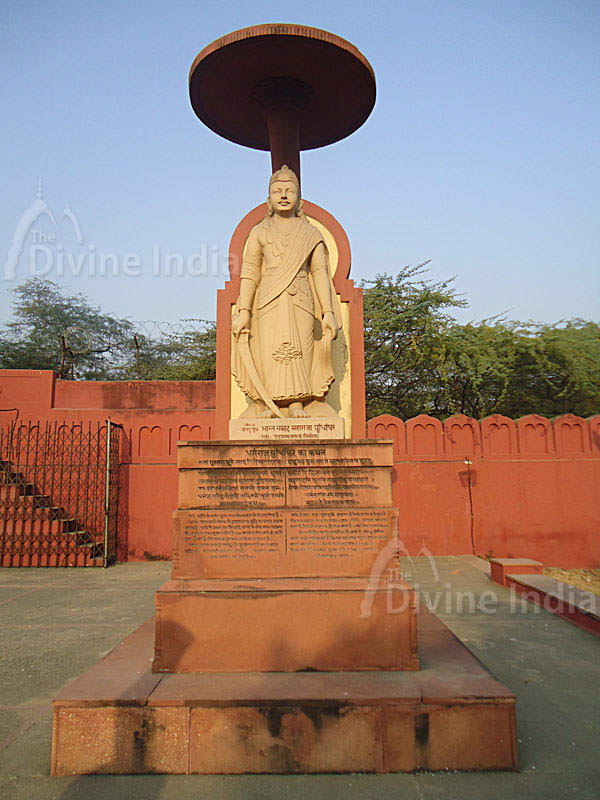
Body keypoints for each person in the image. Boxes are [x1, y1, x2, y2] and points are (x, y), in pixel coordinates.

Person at [231, 165, 340, 418]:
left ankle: (297, 403)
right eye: (277, 190)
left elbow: (320, 273)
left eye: (289, 190)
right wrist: (244, 310)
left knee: (299, 348)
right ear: (268, 197)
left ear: (298, 197)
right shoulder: (259, 232)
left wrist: (327, 312)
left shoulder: (310, 233)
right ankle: (271, 403)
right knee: (270, 350)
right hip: (268, 298)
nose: (283, 195)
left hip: (300, 296)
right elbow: (250, 273)